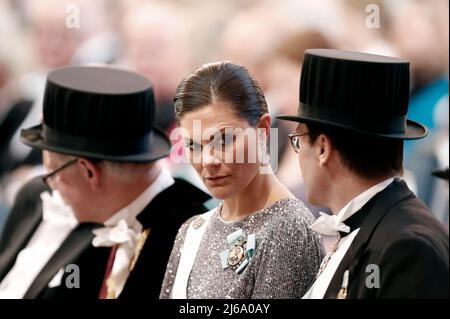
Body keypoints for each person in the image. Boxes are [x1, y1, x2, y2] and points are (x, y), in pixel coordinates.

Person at [0, 66, 210, 299]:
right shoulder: (110, 213)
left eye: (53, 174)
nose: (51, 188)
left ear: (89, 172)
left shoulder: (191, 241)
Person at [278, 49, 449, 299]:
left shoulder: (406, 247)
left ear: (323, 148)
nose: (298, 153)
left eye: (298, 141)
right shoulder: (376, 227)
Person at [160, 61, 324, 299]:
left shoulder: (289, 228)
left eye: (224, 140)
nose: (209, 160)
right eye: (193, 145)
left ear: (263, 129)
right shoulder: (192, 230)